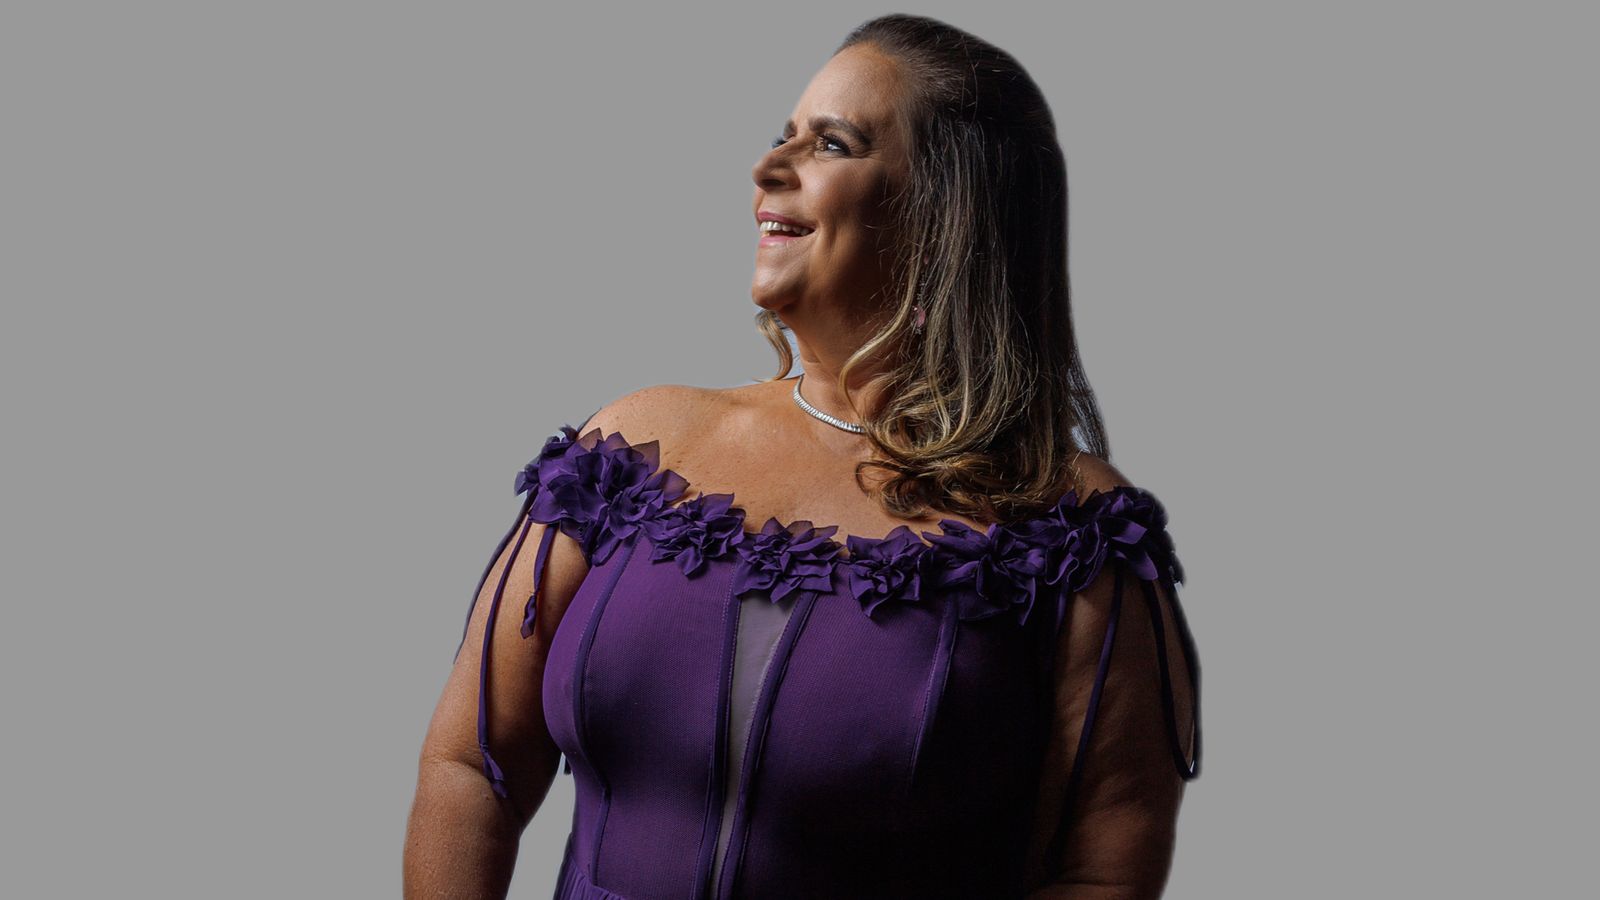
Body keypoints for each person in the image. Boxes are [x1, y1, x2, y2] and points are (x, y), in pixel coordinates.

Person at [404, 13, 1200, 899]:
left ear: (946, 212)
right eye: (781, 135)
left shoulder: (1073, 532)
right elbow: (469, 766)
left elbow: (1102, 873)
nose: (767, 168)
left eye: (830, 143)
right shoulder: (632, 448)